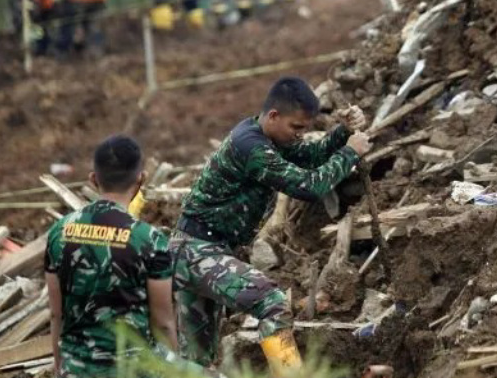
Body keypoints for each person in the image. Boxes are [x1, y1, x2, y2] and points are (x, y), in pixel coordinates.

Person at [169, 77, 371, 374]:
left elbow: (311, 157)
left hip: (200, 250)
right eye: (297, 128)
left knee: (197, 361)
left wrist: (343, 133)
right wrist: (350, 152)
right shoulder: (251, 147)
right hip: (196, 251)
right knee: (271, 301)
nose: (300, 135)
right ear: (274, 116)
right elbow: (309, 186)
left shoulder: (268, 137)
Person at [45, 135, 179, 377]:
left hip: (75, 369)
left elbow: (56, 313)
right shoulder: (149, 239)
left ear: (93, 178)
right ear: (141, 178)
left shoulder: (58, 232)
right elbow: (163, 323)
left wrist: (60, 367)